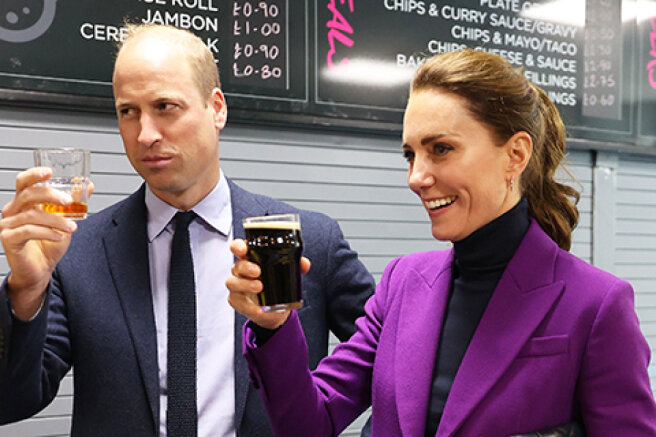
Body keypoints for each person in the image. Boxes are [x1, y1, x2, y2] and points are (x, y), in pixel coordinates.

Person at [227, 49, 656, 436]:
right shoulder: (402, 283)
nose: (416, 177)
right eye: (411, 154)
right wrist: (273, 325)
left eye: (442, 149)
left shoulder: (596, 304)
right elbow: (311, 422)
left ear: (516, 155)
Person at [0, 24, 375, 437]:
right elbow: (13, 401)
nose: (145, 134)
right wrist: (26, 289)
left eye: (165, 107)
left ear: (217, 108)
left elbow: (394, 361)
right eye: (128, 112)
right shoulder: (77, 251)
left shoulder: (308, 241)